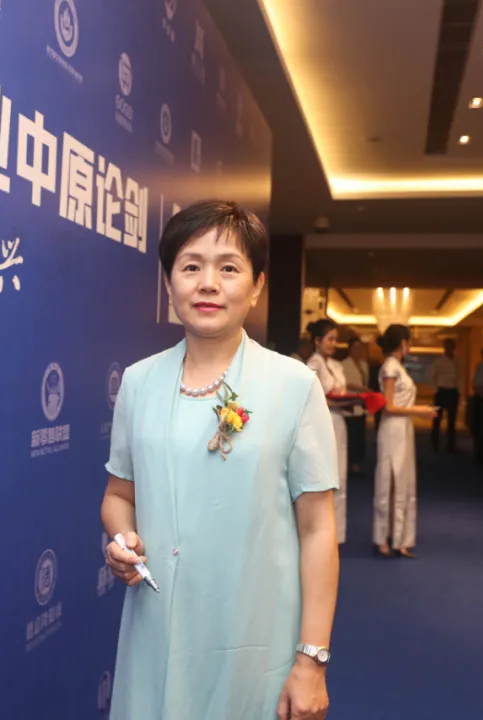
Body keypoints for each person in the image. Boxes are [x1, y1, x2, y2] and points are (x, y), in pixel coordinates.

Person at [101, 200, 339, 720]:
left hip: (257, 634)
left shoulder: (294, 385)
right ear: (169, 283)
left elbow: (318, 529)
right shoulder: (138, 382)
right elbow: (119, 495)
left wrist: (312, 660)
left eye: (228, 268)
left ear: (256, 286)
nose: (208, 283)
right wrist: (122, 540)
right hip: (156, 624)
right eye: (191, 266)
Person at [372, 324, 437, 559]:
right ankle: (383, 537)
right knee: (389, 481)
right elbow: (388, 407)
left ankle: (400, 537)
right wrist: (419, 410)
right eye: (409, 341)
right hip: (393, 429)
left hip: (403, 428)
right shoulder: (390, 367)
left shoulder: (398, 367)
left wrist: (416, 411)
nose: (410, 345)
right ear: (402, 343)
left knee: (404, 481)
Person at [306, 319, 350, 545]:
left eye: (335, 339)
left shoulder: (336, 365)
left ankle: (337, 535)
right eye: (329, 339)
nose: (333, 343)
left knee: (340, 477)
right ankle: (321, 533)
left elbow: (341, 393)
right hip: (322, 421)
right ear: (317, 341)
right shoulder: (313, 364)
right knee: (323, 478)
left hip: (339, 421)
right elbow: (315, 398)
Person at [341, 338, 370, 474]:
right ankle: (349, 464)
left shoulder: (364, 365)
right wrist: (362, 389)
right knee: (350, 437)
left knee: (360, 437)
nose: (357, 351)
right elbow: (345, 383)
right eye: (355, 348)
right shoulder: (344, 365)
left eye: (360, 348)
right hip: (349, 405)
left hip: (361, 406)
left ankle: (357, 464)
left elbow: (365, 382)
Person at [429, 339, 459, 452]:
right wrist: (436, 390)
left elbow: (459, 377)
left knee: (452, 420)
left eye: (452, 347)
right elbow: (432, 376)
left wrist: (458, 390)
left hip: (453, 391)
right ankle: (435, 444)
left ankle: (451, 445)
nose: (450, 349)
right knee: (437, 419)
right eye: (448, 347)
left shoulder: (457, 362)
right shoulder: (439, 362)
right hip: (441, 392)